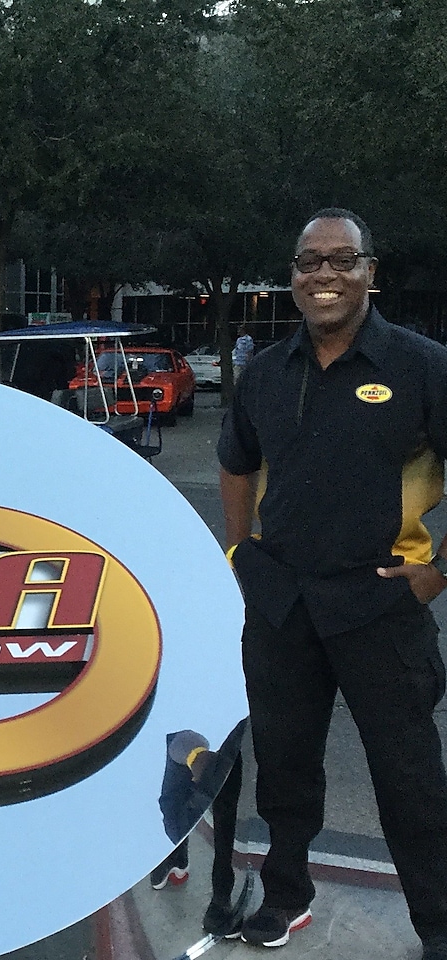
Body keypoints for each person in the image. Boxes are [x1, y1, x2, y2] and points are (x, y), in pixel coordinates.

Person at [218, 208, 447, 958]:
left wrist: (436, 570)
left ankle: (437, 926)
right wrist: (241, 549)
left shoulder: (420, 365)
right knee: (284, 767)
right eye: (309, 262)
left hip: (381, 601)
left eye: (341, 261)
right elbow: (234, 458)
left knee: (410, 780)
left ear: (370, 273)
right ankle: (287, 897)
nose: (324, 275)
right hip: (283, 602)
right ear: (293, 275)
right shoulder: (265, 372)